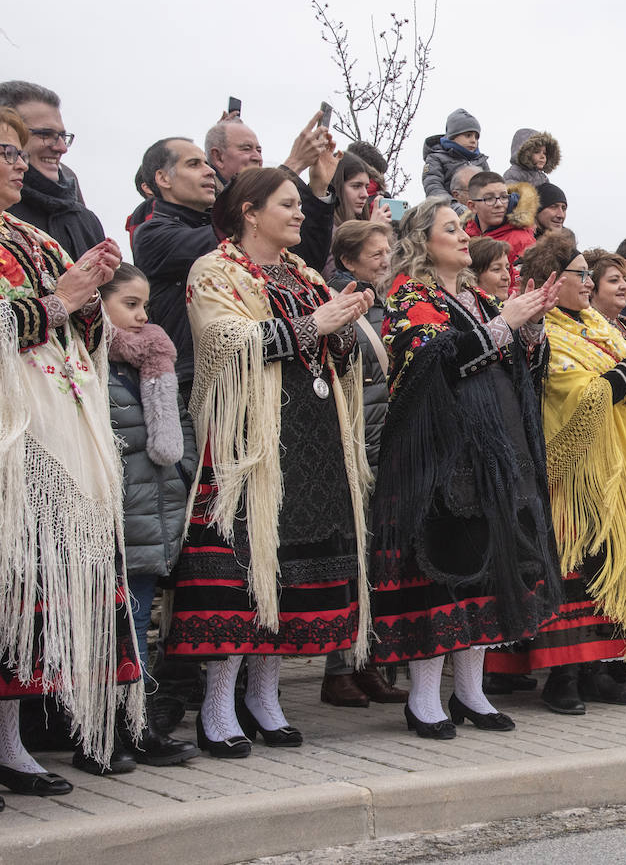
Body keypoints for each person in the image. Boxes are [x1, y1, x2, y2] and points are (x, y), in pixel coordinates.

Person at [163, 167, 375, 758]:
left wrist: (344, 324)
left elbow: (338, 345)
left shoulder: (303, 271)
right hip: (248, 442)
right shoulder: (216, 269)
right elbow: (224, 341)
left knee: (283, 571)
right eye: (287, 204)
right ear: (250, 211)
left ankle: (264, 698)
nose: (300, 213)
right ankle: (216, 707)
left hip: (310, 437)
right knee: (238, 575)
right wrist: (315, 323)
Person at [367, 197, 565, 737]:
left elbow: (519, 368)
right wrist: (506, 324)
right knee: (443, 572)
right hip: (440, 457)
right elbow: (430, 363)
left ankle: (470, 692)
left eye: (461, 228)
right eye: (450, 229)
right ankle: (424, 697)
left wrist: (529, 329)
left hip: (493, 453)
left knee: (486, 569)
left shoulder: (476, 297)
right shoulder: (410, 295)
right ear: (422, 242)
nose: (461, 236)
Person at [1, 107, 140, 799]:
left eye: (22, 151)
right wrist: (59, 301)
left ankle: (11, 742)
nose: (19, 162)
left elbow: (81, 327)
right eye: (6, 150)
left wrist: (89, 291)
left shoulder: (31, 234)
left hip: (54, 429)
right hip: (9, 432)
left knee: (34, 592)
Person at [485, 232, 626, 714]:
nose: (590, 284)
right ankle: (563, 674)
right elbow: (578, 396)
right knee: (577, 566)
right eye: (581, 275)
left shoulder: (600, 325)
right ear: (553, 280)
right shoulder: (544, 329)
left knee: (612, 563)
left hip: (622, 464)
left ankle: (600, 670)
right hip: (574, 475)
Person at [96, 264, 201, 768]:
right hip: (109, 520)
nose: (141, 317)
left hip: (148, 520)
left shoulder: (154, 360)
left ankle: (134, 726)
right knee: (108, 628)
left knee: (137, 624)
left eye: (144, 306)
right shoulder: (91, 363)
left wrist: (181, 477)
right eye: (129, 305)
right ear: (98, 303)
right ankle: (100, 733)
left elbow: (176, 435)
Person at [317, 221, 410, 709]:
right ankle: (338, 671)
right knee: (352, 559)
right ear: (347, 261)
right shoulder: (339, 304)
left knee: (378, 559)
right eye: (374, 253)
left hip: (386, 441)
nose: (383, 259)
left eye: (387, 251)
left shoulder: (386, 302)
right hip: (354, 443)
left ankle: (370, 662)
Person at [131, 137, 219, 390]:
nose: (209, 170)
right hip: (194, 379)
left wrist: (318, 192)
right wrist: (290, 168)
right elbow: (229, 239)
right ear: (163, 178)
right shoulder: (152, 234)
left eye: (206, 162)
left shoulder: (215, 223)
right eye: (194, 164)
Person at [205, 110, 341, 274]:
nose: (257, 157)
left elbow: (310, 262)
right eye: (246, 148)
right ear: (218, 157)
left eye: (259, 150)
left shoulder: (290, 259)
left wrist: (319, 188)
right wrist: (294, 164)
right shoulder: (201, 204)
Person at [0, 81, 105, 256]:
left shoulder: (85, 221)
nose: (62, 148)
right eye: (45, 134)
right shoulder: (6, 212)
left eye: (63, 136)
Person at [461, 172, 538, 266]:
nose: (499, 204)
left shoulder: (523, 242)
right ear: (472, 206)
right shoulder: (464, 237)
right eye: (489, 199)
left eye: (504, 197)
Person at [423, 108, 489, 199]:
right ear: (453, 136)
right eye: (468, 135)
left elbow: (491, 187)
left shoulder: (481, 161)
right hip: (448, 209)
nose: (473, 140)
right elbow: (433, 187)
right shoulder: (436, 158)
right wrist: (453, 206)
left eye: (476, 137)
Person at [586, 248, 626, 337]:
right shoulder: (583, 327)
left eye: (625, 279)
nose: (624, 286)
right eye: (614, 280)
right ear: (590, 286)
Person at [329, 152, 391, 227]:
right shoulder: (322, 228)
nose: (365, 194)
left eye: (366, 187)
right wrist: (373, 229)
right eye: (356, 186)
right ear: (336, 186)